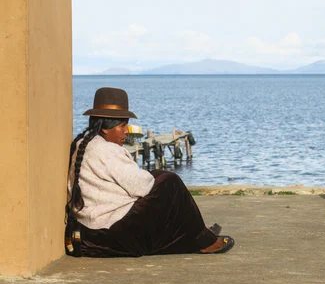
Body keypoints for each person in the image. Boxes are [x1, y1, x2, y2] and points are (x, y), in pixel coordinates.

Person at [65, 87, 234, 257]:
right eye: (122, 126)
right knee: (170, 183)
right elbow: (142, 185)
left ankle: (198, 232)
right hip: (111, 232)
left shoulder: (83, 143)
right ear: (106, 128)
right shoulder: (107, 150)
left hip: (90, 229)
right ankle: (205, 241)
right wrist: (155, 177)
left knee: (159, 178)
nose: (127, 131)